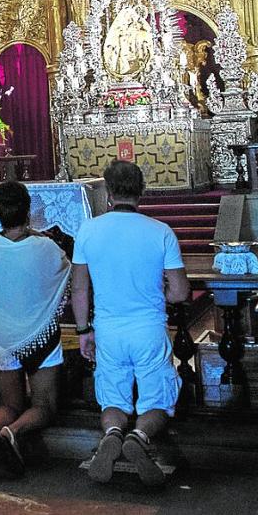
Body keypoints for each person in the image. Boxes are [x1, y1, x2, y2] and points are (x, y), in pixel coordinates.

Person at [71, 160, 190, 486]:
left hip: (108, 330)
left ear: (108, 192)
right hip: (148, 328)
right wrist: (161, 290)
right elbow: (180, 292)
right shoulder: (160, 232)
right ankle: (138, 436)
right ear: (142, 191)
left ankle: (112, 433)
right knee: (158, 402)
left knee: (113, 400)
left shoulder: (88, 230)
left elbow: (80, 288)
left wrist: (84, 331)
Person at [0, 180, 70, 477]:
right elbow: (66, 269)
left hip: (1, 336)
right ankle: (11, 434)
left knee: (9, 403)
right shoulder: (46, 247)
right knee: (44, 406)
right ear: (28, 211)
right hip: (39, 335)